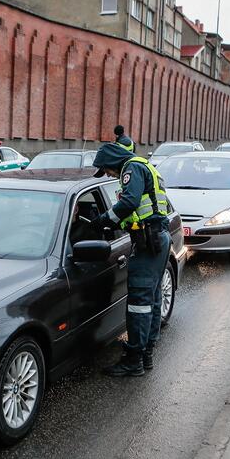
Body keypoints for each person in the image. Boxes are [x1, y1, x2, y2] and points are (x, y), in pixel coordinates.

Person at [90, 143, 171, 376]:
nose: (107, 174)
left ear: (113, 162)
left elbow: (129, 202)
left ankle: (134, 360)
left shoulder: (131, 168)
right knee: (152, 299)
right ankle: (146, 355)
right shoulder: (143, 165)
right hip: (157, 237)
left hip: (149, 241)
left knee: (139, 304)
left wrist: (104, 220)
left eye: (106, 169)